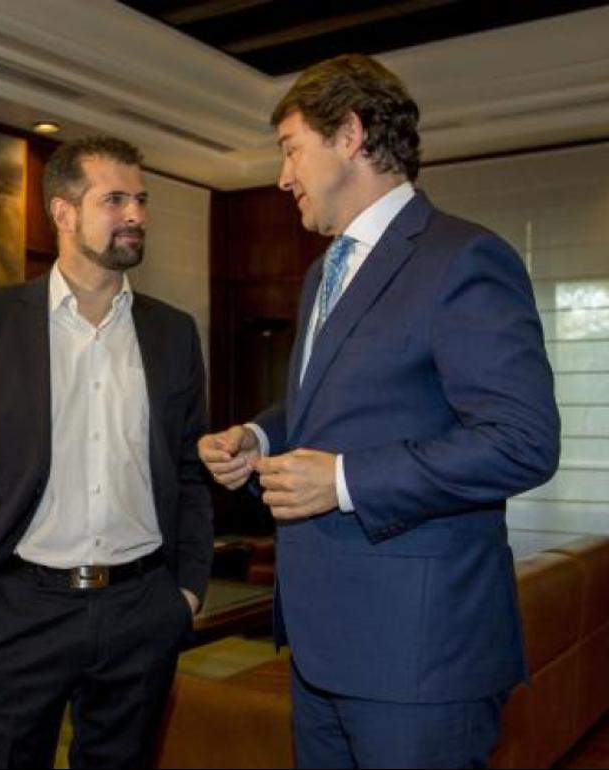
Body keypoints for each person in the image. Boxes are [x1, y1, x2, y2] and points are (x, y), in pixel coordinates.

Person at [198, 54, 560, 768]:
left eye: (291, 150)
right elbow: (328, 398)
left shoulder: (464, 258)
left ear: (351, 135)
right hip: (321, 646)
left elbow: (522, 441)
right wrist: (258, 432)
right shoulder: (321, 272)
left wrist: (342, 481)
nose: (282, 176)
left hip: (418, 658)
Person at [0, 136, 214, 769]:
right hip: (20, 609)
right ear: (62, 212)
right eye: (114, 200)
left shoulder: (172, 333)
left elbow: (190, 470)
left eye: (140, 199)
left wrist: (187, 591)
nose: (135, 214)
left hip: (144, 608)